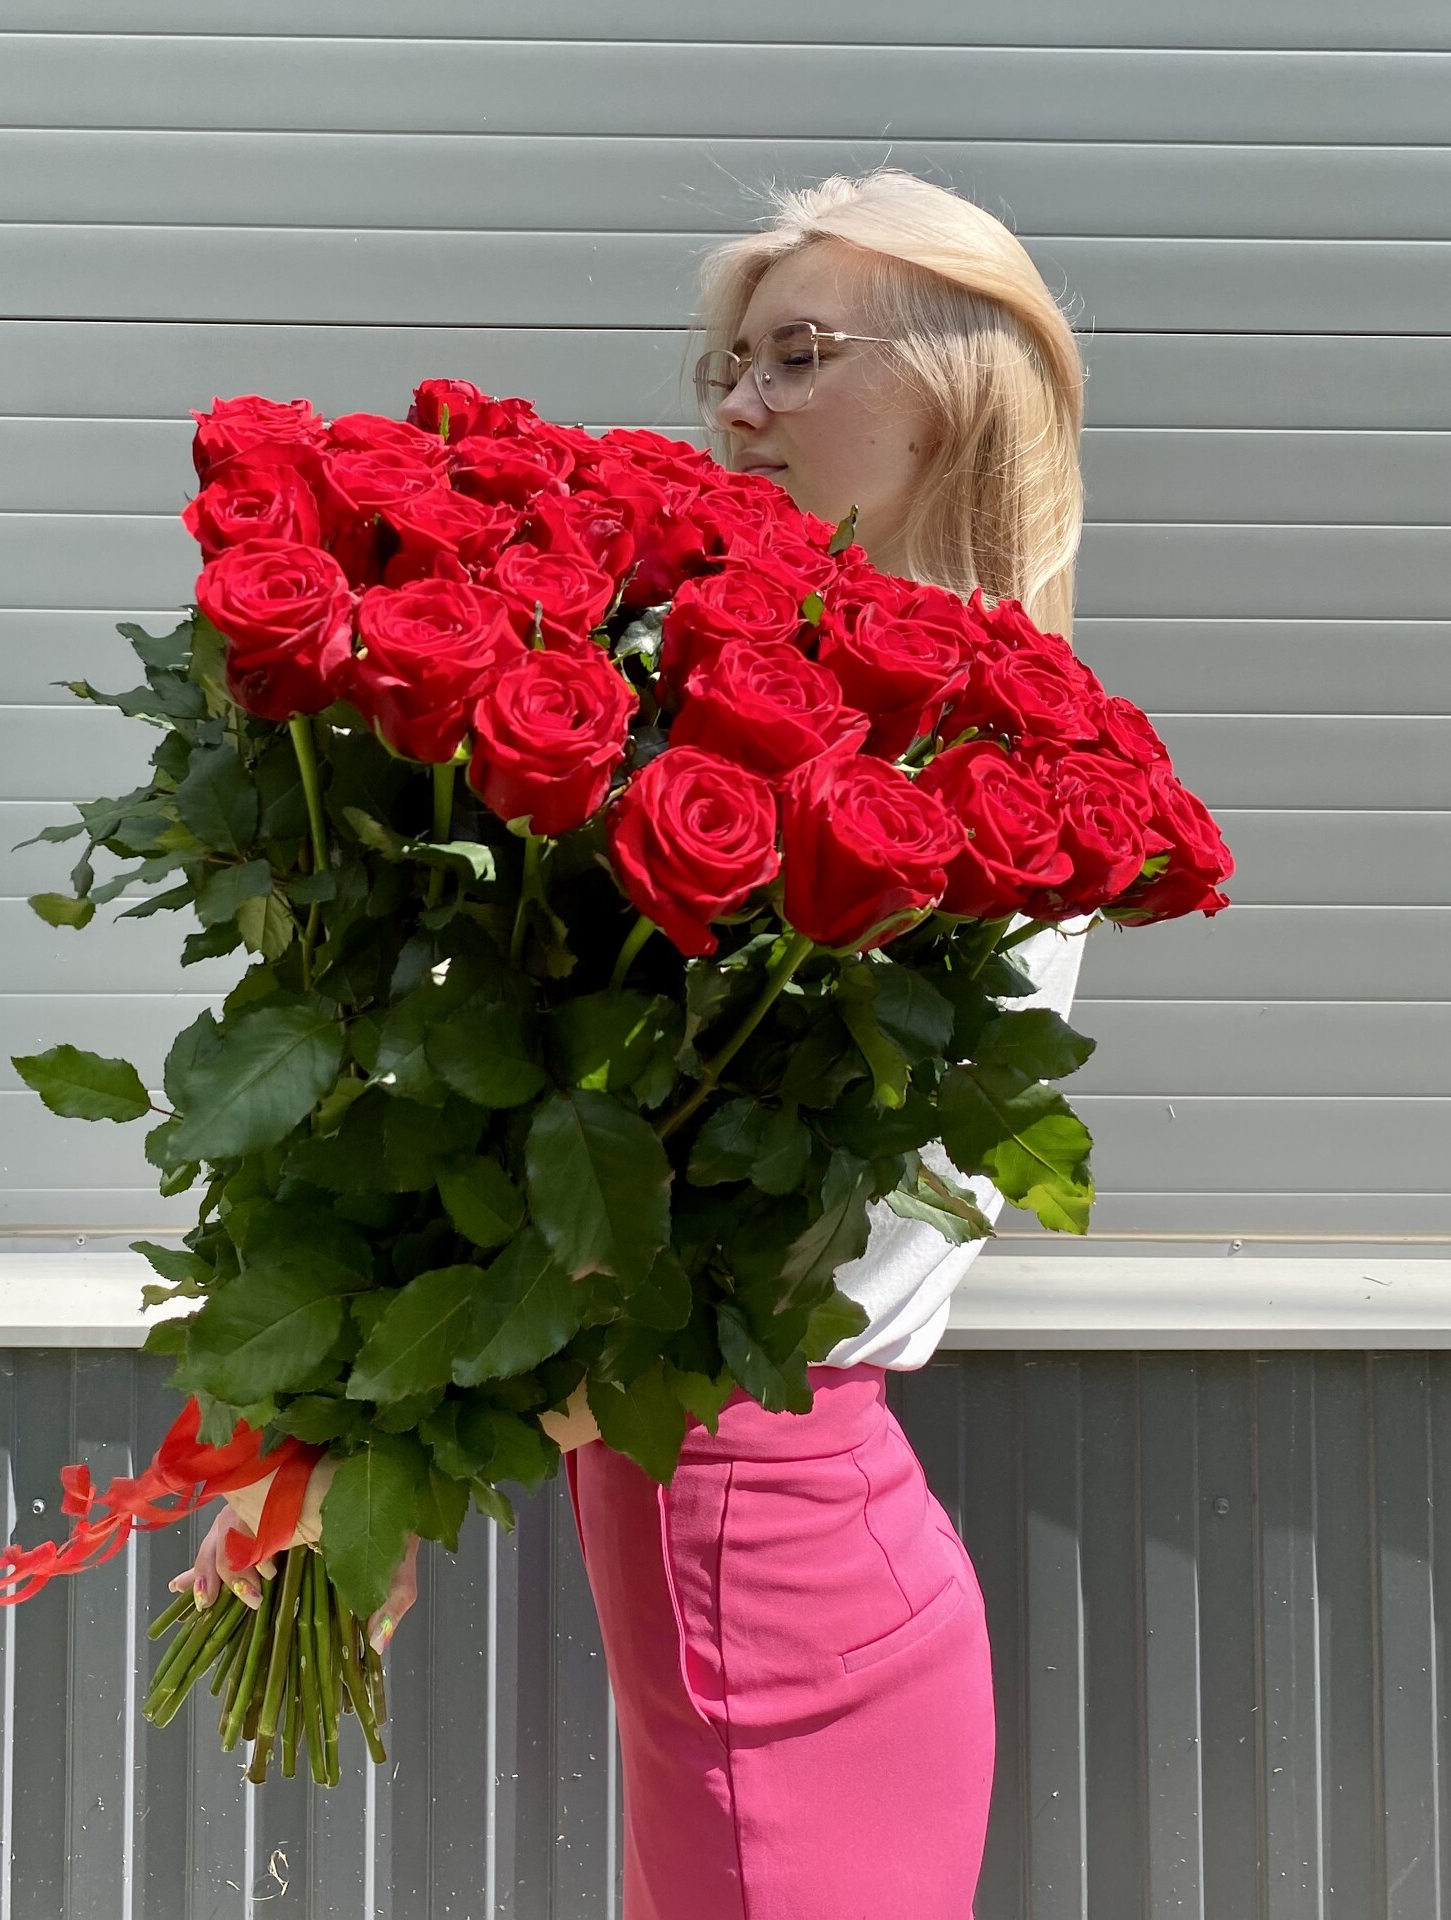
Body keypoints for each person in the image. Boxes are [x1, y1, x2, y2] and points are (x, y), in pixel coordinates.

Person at [173, 164, 1091, 1919]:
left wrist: (363, 1465)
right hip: (733, 1577)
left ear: (958, 391)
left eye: (798, 355)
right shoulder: (714, 717)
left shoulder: (1005, 814)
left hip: (790, 1601)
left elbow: (759, 1293)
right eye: (731, 366)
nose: (740, 406)